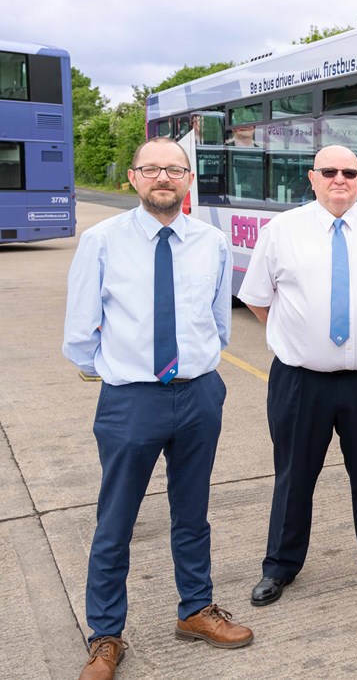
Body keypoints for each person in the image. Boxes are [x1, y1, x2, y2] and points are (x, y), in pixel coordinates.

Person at [63, 137, 252, 680]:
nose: (163, 178)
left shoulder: (211, 242)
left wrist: (199, 370)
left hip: (198, 394)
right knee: (115, 521)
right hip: (131, 400)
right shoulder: (101, 241)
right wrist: (123, 374)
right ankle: (105, 636)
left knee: (192, 513)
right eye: (151, 169)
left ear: (189, 179)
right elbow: (79, 336)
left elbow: (219, 320)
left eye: (174, 169)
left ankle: (195, 609)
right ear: (132, 177)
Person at [237, 144, 357, 606]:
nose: (339, 179)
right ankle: (281, 566)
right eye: (329, 171)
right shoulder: (282, 230)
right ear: (311, 178)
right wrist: (297, 337)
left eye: (349, 172)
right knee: (294, 474)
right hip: (301, 380)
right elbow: (257, 297)